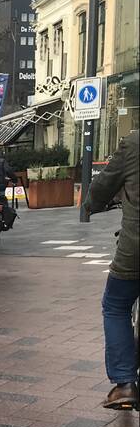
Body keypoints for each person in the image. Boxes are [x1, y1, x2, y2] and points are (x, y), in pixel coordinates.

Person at [84, 131, 139, 410]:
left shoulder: (134, 143)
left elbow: (103, 185)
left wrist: (92, 204)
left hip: (135, 250)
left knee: (115, 305)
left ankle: (124, 384)